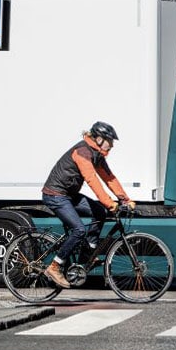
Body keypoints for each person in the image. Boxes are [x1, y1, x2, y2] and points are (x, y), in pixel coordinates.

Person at [41, 121, 135, 288]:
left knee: (99, 211)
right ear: (99, 138)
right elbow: (92, 180)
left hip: (69, 195)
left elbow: (109, 178)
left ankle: (87, 253)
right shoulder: (82, 152)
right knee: (79, 230)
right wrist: (110, 203)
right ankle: (55, 267)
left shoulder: (96, 154)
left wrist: (125, 199)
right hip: (55, 195)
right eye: (110, 140)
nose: (112, 145)